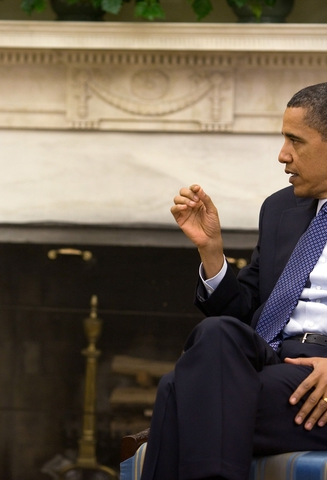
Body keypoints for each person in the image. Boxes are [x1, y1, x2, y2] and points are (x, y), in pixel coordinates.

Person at [140, 81, 327, 480]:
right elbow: (245, 315)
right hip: (269, 360)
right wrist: (211, 249)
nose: (283, 155)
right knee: (217, 332)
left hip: (317, 378)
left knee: (178, 391)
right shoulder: (281, 209)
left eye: (296, 141)